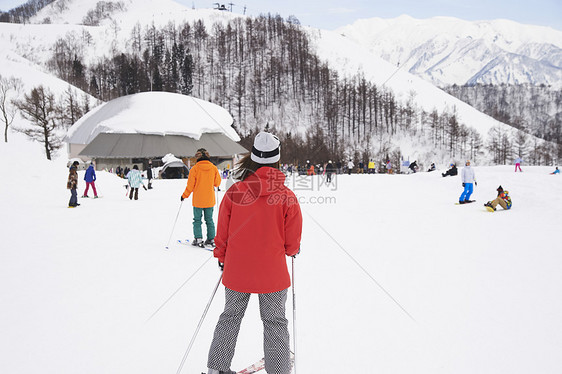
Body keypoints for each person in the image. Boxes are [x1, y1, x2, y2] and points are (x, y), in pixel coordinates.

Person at [206, 132, 302, 374]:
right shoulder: (286, 197)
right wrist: (292, 249)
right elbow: (292, 244)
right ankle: (278, 369)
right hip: (273, 275)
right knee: (275, 322)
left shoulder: (236, 193)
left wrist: (221, 256)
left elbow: (223, 234)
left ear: (254, 158)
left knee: (230, 317)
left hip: (237, 271)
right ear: (277, 160)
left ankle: (217, 368)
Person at [181, 148, 221, 248]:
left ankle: (198, 238)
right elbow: (217, 183)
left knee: (197, 220)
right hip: (209, 199)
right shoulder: (213, 168)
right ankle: (211, 238)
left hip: (198, 200)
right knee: (209, 220)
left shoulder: (194, 169)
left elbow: (190, 186)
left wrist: (184, 195)